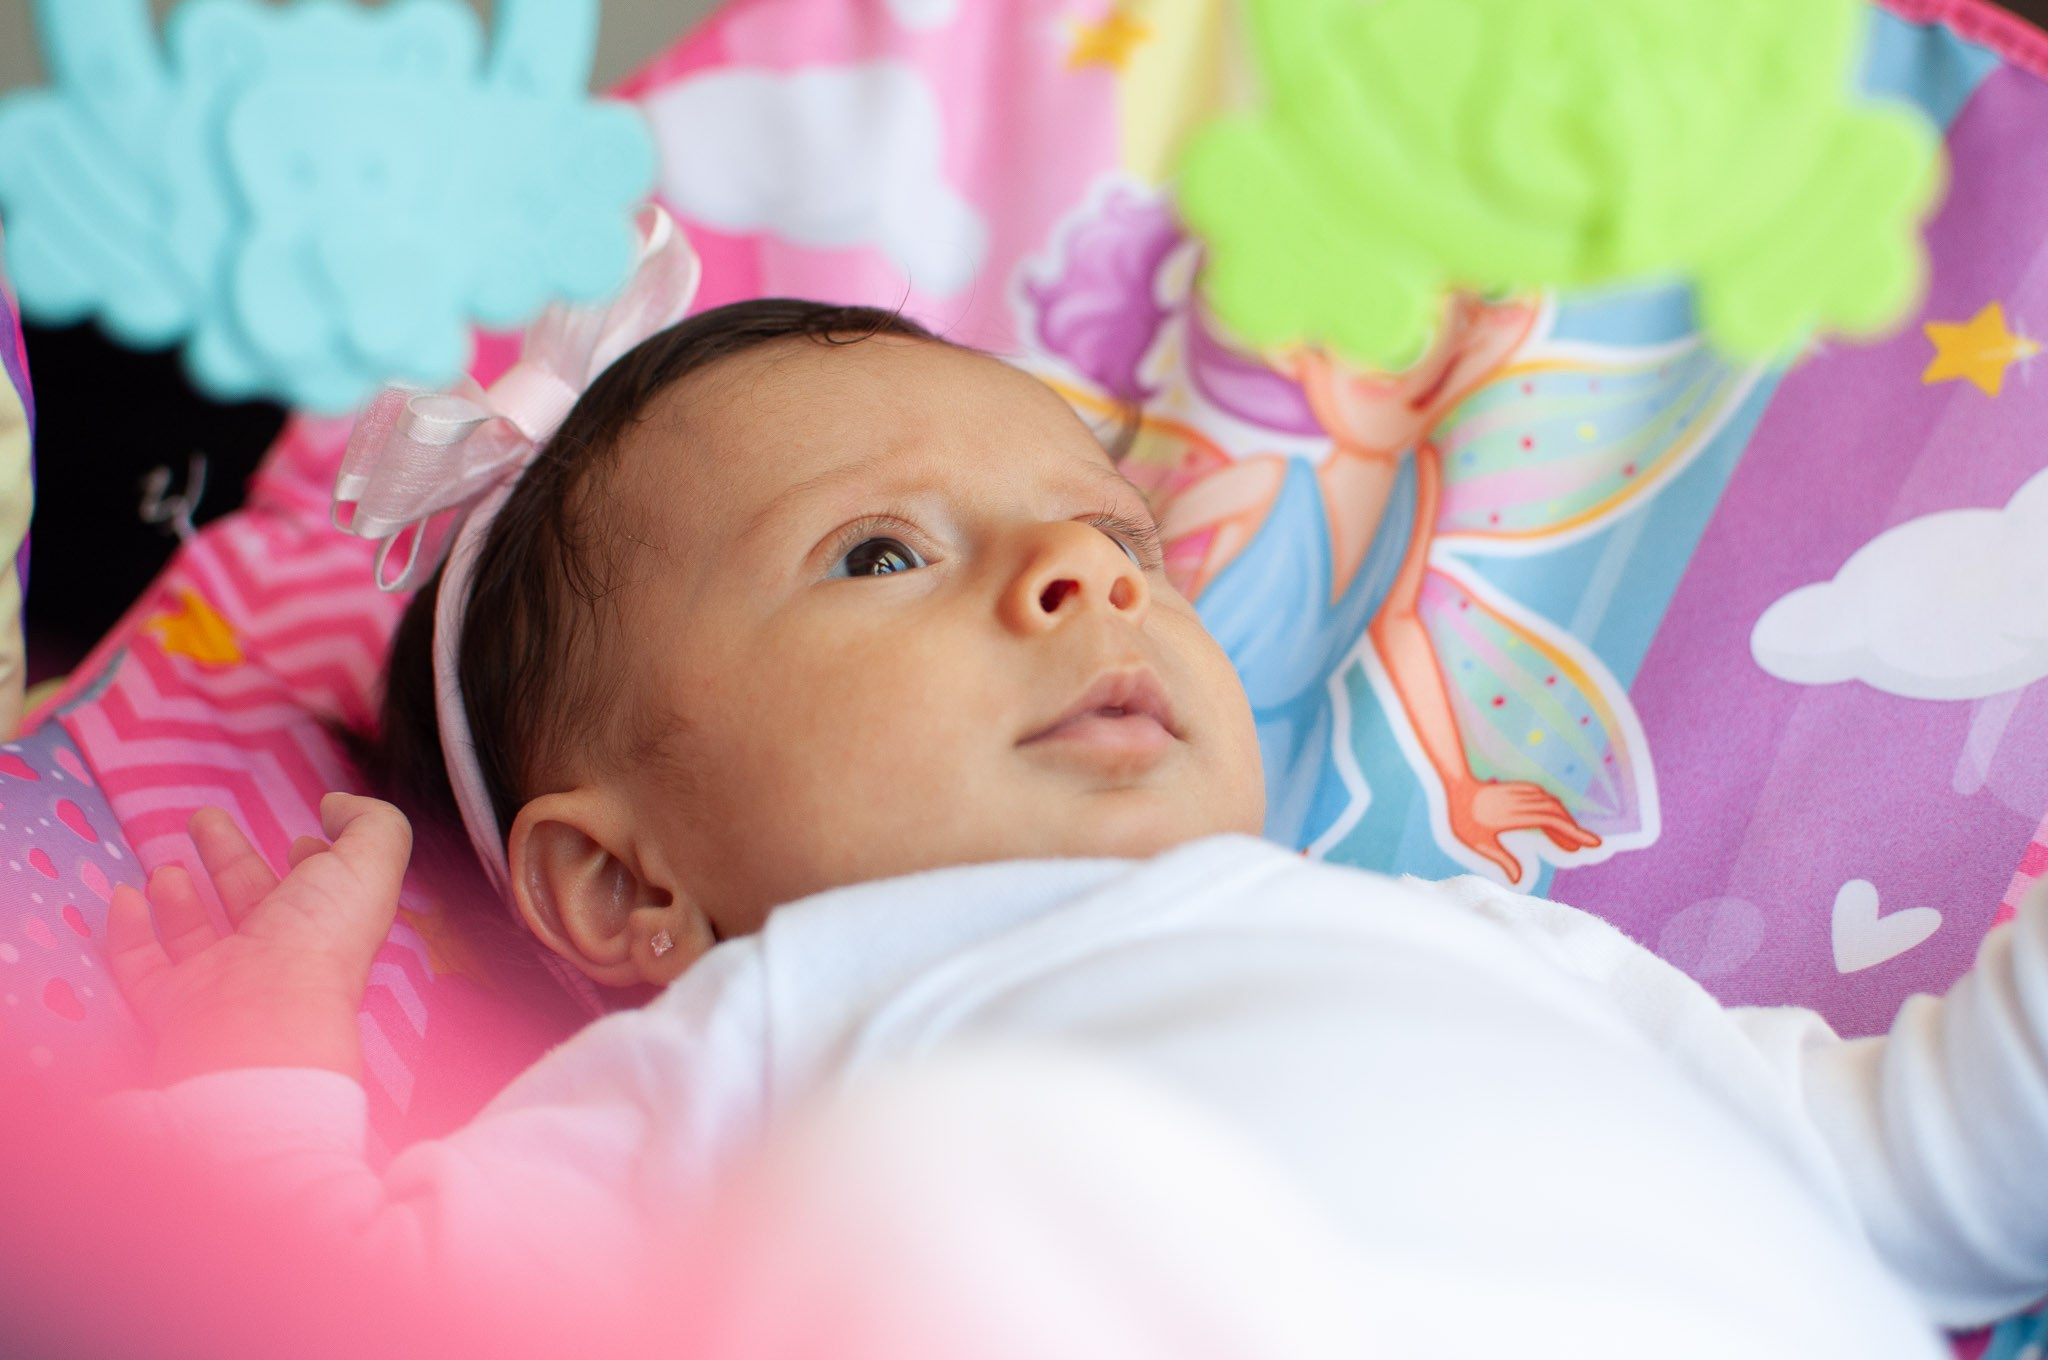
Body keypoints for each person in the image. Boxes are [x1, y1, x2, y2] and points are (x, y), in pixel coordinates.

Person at [101, 274, 2048, 1357]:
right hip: (1064, 1260)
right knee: (937, 1177)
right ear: (624, 880)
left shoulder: (1483, 931)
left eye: (1118, 537)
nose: (1085, 577)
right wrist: (251, 1073)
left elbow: (1939, 1175)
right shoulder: (769, 1029)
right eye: (878, 553)